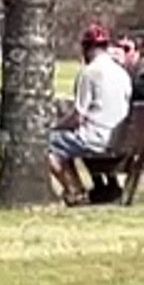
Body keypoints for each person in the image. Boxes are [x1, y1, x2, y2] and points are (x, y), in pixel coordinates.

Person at [49, 23, 133, 206]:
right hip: (121, 140)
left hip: (96, 139)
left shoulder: (89, 73)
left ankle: (75, 191)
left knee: (48, 143)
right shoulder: (122, 73)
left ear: (86, 48)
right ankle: (91, 190)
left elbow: (78, 117)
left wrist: (55, 126)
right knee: (63, 144)